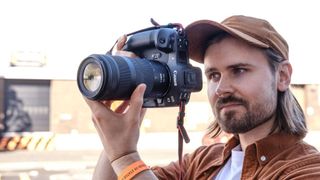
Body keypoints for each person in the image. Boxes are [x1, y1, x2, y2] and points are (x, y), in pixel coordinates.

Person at [84, 15, 320, 179]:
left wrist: (126, 156)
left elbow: (130, 169)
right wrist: (117, 133)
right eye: (214, 75)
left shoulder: (306, 169)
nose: (221, 88)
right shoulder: (202, 162)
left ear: (283, 76)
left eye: (238, 70)